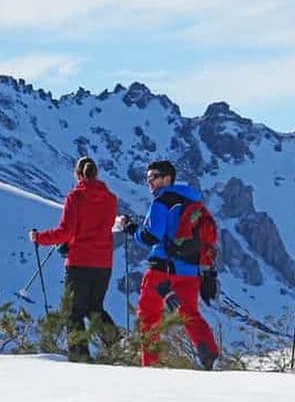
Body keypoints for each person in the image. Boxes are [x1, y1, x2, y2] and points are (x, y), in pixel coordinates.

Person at [120, 160, 219, 370]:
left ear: (167, 178)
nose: (149, 182)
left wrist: (131, 229)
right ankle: (208, 351)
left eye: (154, 177)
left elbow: (152, 236)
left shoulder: (161, 201)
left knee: (148, 315)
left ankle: (151, 365)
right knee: (189, 312)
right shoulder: (193, 202)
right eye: (147, 178)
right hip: (190, 270)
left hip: (161, 269)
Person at [29, 156, 119, 362]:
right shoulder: (110, 198)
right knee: (94, 306)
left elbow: (65, 231)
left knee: (73, 311)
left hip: (79, 262)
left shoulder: (75, 197)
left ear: (78, 175)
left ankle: (80, 357)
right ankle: (117, 343)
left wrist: (39, 237)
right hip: (104, 262)